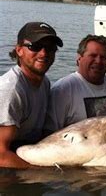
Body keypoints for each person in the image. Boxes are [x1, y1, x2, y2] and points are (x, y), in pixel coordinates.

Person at [44, 35, 106, 134]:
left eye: (103, 57)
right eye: (93, 56)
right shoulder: (63, 89)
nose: (98, 61)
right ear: (79, 58)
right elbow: (49, 132)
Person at [0, 22, 63, 168]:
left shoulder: (45, 83)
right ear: (19, 50)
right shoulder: (11, 90)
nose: (43, 53)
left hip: (25, 151)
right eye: (34, 47)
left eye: (50, 48)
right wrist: (42, 173)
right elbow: (1, 156)